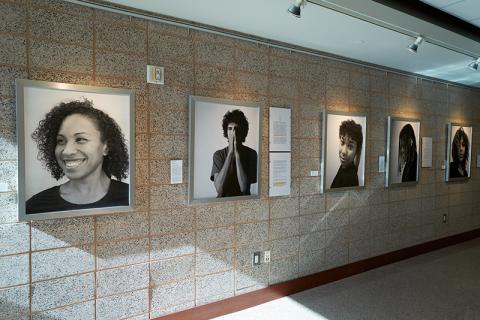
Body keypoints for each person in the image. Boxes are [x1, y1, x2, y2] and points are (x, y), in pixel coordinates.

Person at [26, 99, 129, 214]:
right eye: (61, 141)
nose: (66, 151)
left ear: (106, 147)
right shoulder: (35, 206)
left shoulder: (130, 196)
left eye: (80, 139)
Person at [210, 109, 257, 197]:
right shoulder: (218, 155)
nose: (233, 132)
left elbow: (244, 188)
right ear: (226, 132)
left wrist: (237, 155)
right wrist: (230, 153)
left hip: (244, 203)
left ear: (242, 131)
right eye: (230, 129)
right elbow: (219, 189)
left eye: (237, 129)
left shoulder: (251, 154)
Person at [331, 119, 363, 188]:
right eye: (342, 143)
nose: (344, 152)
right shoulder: (345, 166)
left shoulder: (350, 179)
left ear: (356, 151)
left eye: (350, 146)